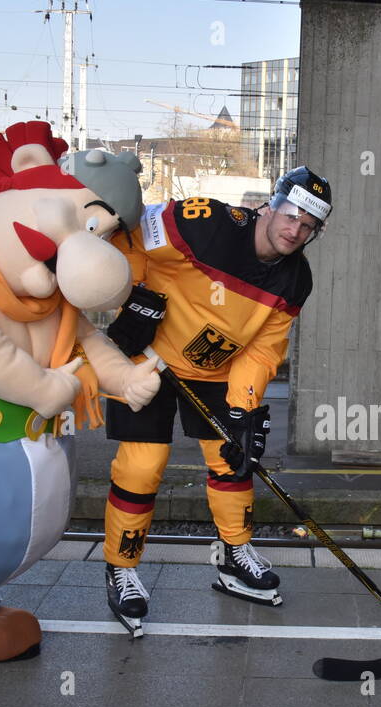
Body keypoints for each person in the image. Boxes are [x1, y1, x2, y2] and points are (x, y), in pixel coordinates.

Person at [100, 167, 331, 632]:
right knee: (142, 465)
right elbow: (129, 237)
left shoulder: (295, 280)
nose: (295, 230)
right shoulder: (204, 221)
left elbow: (264, 348)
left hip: (215, 368)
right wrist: (135, 293)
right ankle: (121, 568)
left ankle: (234, 555)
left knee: (233, 459)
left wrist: (244, 409)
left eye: (309, 226)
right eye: (291, 215)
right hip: (149, 356)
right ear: (271, 204)